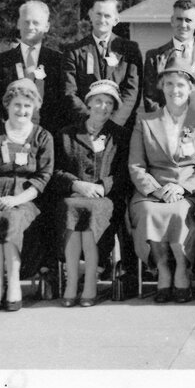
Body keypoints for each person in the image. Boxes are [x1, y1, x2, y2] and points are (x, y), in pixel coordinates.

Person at [129, 58, 195, 303]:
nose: (174, 89)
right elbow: (136, 165)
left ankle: (181, 267)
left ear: (191, 88)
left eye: (180, 84)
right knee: (148, 212)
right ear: (161, 86)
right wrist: (156, 191)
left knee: (179, 212)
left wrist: (182, 187)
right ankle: (163, 268)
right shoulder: (145, 121)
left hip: (187, 191)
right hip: (152, 192)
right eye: (169, 83)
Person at [0, 79, 55, 311]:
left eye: (28, 106)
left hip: (26, 198)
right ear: (8, 105)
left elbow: (43, 177)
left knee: (12, 218)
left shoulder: (42, 136)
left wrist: (16, 200)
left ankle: (14, 282)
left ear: (35, 108)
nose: (22, 111)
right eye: (17, 105)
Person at [51, 80, 129, 307]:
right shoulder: (67, 134)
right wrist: (75, 184)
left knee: (93, 212)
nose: (102, 107)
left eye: (108, 103)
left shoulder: (120, 136)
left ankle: (90, 282)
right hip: (73, 195)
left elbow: (125, 171)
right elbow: (54, 171)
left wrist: (104, 185)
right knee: (72, 209)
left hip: (105, 199)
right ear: (88, 103)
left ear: (114, 107)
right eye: (98, 101)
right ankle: (72, 281)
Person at [0, 0, 66, 137]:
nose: (30, 27)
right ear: (18, 23)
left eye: (36, 23)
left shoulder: (58, 61)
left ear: (46, 26)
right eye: (26, 21)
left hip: (47, 138)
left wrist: (49, 136)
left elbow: (63, 105)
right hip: (10, 136)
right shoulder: (1, 61)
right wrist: (5, 132)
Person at [63, 0, 143, 132]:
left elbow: (132, 91)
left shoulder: (130, 50)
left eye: (107, 16)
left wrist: (113, 124)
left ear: (116, 19)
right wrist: (92, 121)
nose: (102, 20)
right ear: (90, 15)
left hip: (120, 129)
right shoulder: (73, 52)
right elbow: (70, 92)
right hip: (85, 128)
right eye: (98, 14)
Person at [144, 0, 195, 116]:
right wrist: (166, 125)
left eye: (188, 20)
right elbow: (151, 99)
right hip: (164, 128)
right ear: (172, 21)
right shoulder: (154, 57)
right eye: (179, 19)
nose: (183, 24)